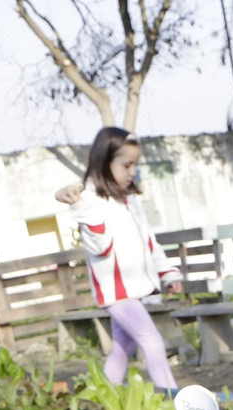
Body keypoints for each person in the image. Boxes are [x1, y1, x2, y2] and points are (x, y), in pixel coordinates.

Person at [54, 127, 182, 392]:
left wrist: (167, 272)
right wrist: (81, 209)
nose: (132, 171)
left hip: (132, 290)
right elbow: (99, 247)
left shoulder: (128, 200)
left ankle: (101, 400)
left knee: (123, 349)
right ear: (105, 162)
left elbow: (148, 240)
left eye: (134, 164)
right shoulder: (89, 201)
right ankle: (175, 401)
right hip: (117, 291)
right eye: (126, 165)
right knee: (152, 341)